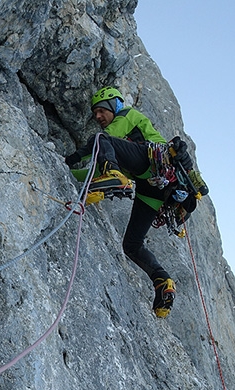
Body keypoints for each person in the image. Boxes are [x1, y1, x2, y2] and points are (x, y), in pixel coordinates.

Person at [64, 86, 193, 318]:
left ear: (114, 105)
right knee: (132, 246)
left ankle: (114, 177)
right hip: (153, 186)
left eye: (101, 110)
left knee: (101, 139)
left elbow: (98, 144)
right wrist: (69, 175)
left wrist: (69, 160)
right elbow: (95, 167)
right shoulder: (120, 150)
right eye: (95, 114)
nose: (98, 117)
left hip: (153, 162)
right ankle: (163, 281)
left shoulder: (128, 116)